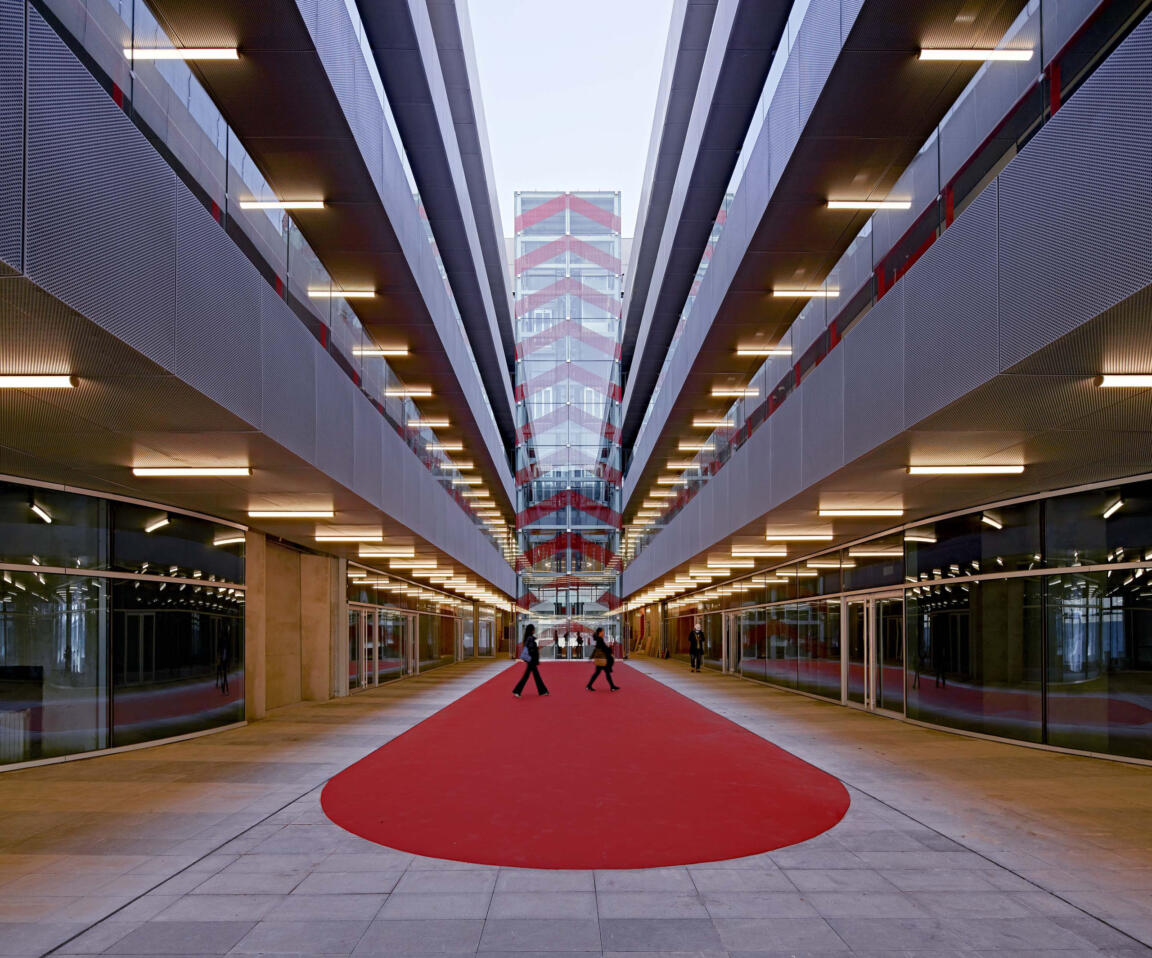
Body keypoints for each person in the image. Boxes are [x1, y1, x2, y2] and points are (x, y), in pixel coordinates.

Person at [513, 624, 549, 698]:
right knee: (532, 676)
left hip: (530, 660)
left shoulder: (528, 638)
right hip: (531, 660)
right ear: (531, 630)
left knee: (533, 676)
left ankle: (542, 691)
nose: (534, 630)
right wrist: (537, 648)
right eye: (533, 629)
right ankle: (517, 691)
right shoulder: (530, 638)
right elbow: (532, 649)